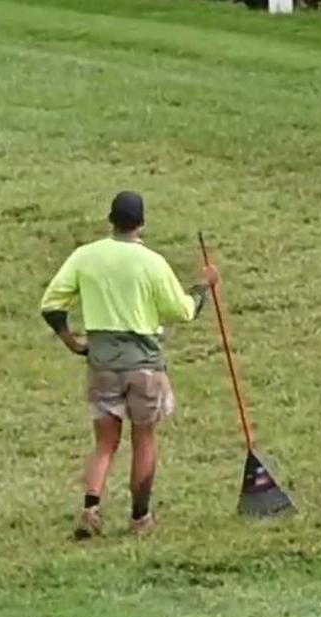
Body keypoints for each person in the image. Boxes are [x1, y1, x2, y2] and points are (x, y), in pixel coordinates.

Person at [39, 190, 218, 539]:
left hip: (102, 362)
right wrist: (204, 285)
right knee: (145, 438)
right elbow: (183, 310)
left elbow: (51, 303)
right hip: (145, 365)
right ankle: (140, 518)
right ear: (142, 224)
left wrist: (71, 341)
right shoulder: (151, 262)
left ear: (110, 220)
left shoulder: (85, 256)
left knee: (105, 442)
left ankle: (91, 509)